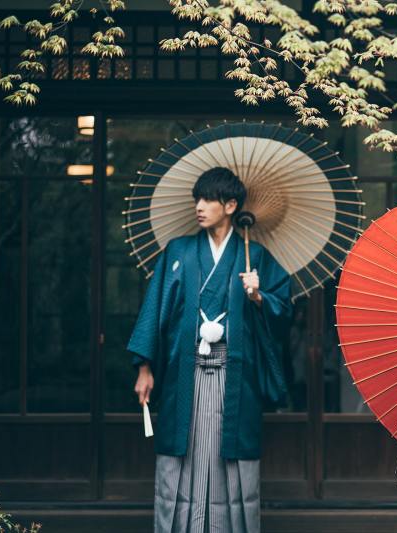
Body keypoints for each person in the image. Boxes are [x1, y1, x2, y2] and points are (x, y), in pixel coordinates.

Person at [128, 166, 292, 533]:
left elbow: (285, 309)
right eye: (196, 200)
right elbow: (155, 309)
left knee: (229, 458)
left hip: (235, 378)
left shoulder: (256, 257)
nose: (199, 207)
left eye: (208, 199)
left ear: (231, 204)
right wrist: (144, 367)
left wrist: (259, 296)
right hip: (184, 374)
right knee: (181, 452)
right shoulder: (179, 251)